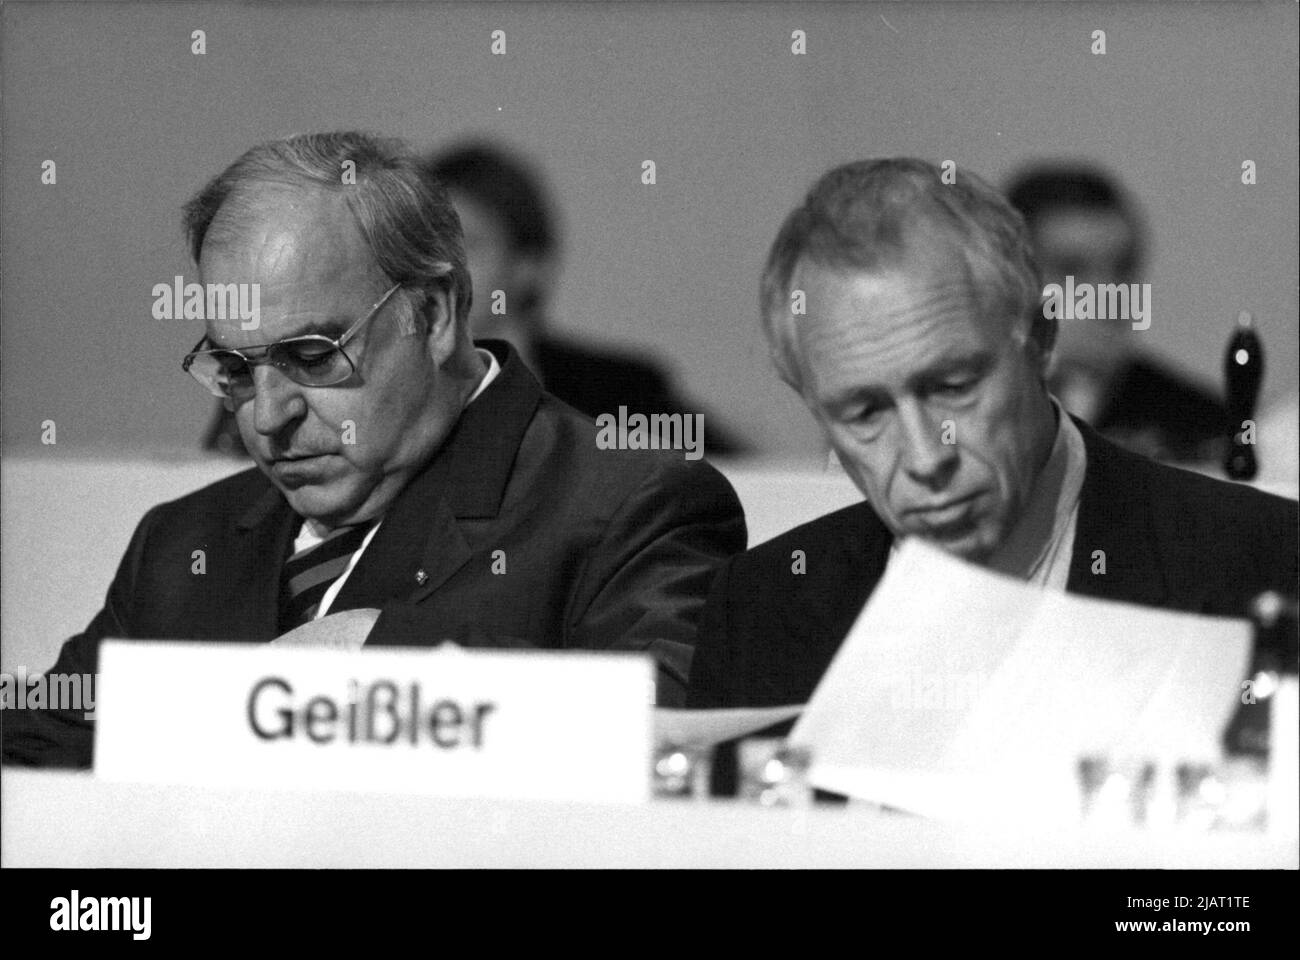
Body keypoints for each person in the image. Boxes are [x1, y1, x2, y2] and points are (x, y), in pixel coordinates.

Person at [2, 131, 746, 768]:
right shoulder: (181, 543)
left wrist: (384, 652)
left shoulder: (634, 505)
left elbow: (668, 757)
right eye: (235, 369)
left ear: (435, 313)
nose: (268, 417)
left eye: (315, 355)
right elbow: (33, 762)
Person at [688, 158, 1297, 711]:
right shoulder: (760, 613)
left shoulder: (1263, 563)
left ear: (1040, 340)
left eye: (953, 387)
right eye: (864, 413)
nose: (927, 457)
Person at [423, 141, 752, 457]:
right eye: (427, 245)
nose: (442, 265)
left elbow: (738, 473)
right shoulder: (402, 386)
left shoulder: (620, 391)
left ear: (528, 266)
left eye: (469, 245)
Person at [1005, 163, 1230, 463]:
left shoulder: (1200, 418)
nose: (1108, 293)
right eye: (1071, 269)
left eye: (1122, 269)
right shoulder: (971, 402)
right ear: (1009, 277)